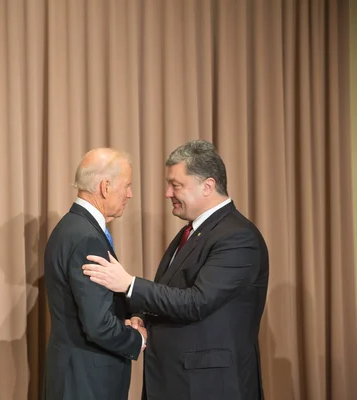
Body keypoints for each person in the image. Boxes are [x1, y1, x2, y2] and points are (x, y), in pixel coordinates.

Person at [82, 140, 269, 400]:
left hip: (209, 387)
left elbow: (197, 301)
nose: (168, 193)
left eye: (176, 185)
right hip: (177, 382)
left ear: (208, 186)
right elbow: (172, 292)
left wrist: (129, 284)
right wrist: (142, 316)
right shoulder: (191, 231)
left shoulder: (238, 237)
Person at [43, 148, 147, 400]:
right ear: (105, 186)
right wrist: (136, 338)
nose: (130, 194)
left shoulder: (70, 226)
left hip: (74, 373)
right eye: (127, 186)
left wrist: (129, 316)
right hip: (87, 381)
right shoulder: (87, 238)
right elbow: (98, 325)